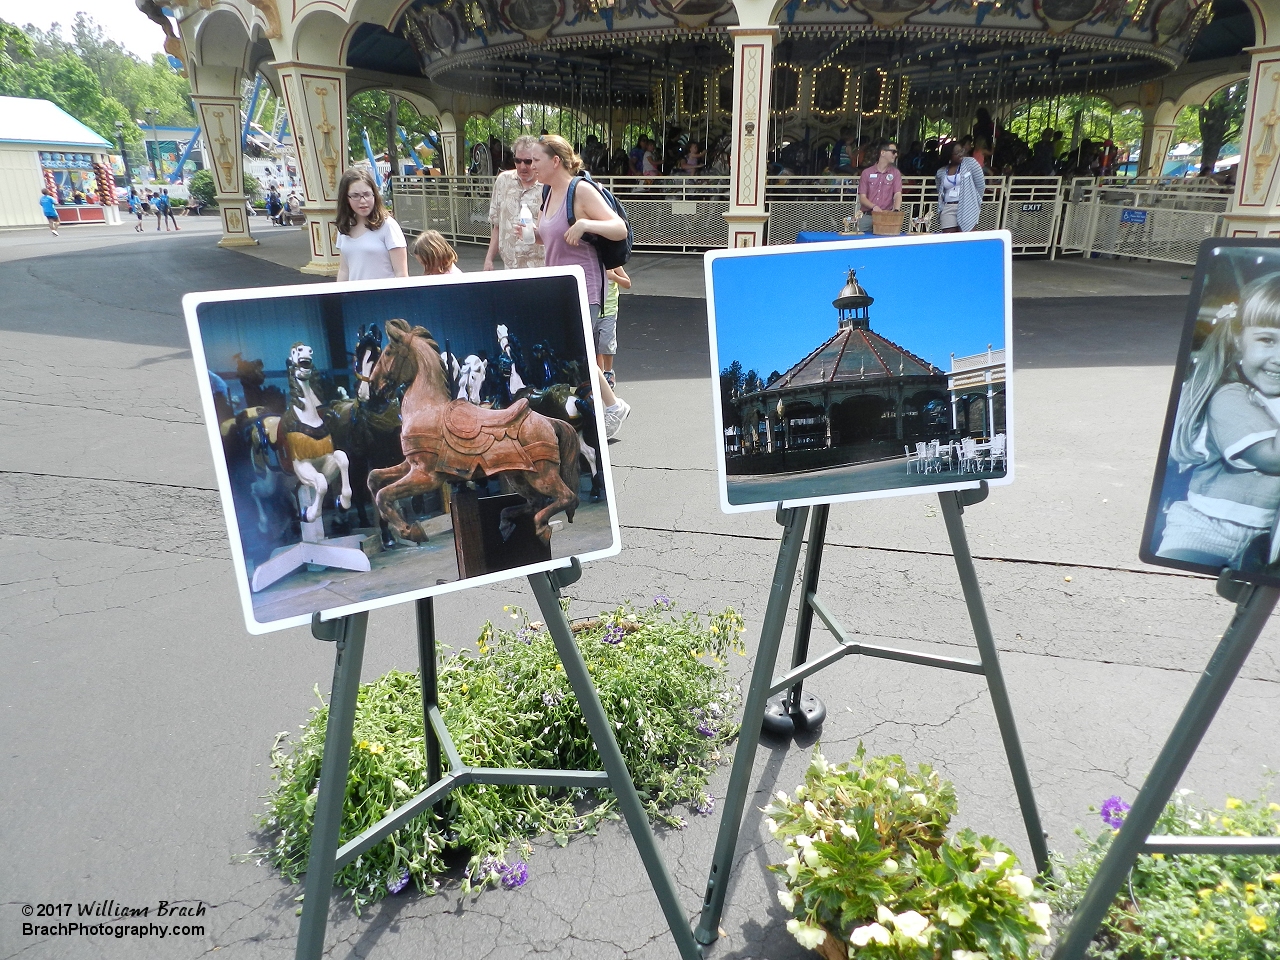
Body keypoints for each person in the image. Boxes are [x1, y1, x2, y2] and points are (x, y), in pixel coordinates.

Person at [1157, 274, 1280, 571]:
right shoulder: (1231, 396)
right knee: (1175, 595)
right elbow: (1272, 459)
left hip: (1266, 534)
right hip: (1206, 528)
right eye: (1267, 340)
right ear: (1239, 342)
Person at [524, 134, 632, 439]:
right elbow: (556, 235)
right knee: (573, 352)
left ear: (555, 161)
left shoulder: (580, 190)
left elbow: (618, 228)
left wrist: (587, 224)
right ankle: (601, 408)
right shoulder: (548, 192)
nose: (531, 166)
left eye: (535, 160)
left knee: (581, 352)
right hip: (558, 287)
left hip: (585, 284)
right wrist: (533, 234)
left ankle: (611, 408)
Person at [335, 167, 408, 282]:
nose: (363, 201)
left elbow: (401, 274)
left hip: (382, 297)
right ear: (345, 198)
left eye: (367, 194)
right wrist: (338, 297)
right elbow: (344, 270)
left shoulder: (388, 226)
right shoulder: (345, 227)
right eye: (355, 195)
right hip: (355, 297)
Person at [484, 134, 545, 271]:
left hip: (539, 266)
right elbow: (497, 226)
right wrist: (489, 259)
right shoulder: (503, 181)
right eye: (518, 161)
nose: (522, 166)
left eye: (528, 161)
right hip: (510, 266)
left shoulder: (547, 186)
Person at [936, 141, 985, 233]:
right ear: (949, 155)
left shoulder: (971, 163)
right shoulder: (941, 172)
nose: (961, 154)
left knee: (967, 240)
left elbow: (980, 185)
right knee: (949, 240)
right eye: (957, 153)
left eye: (961, 151)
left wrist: (975, 202)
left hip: (967, 206)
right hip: (948, 207)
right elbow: (940, 190)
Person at [856, 141, 902, 233]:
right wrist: (874, 207)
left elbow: (897, 194)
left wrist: (896, 210)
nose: (896, 154)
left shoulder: (895, 173)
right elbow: (862, 197)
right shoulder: (867, 172)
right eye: (893, 152)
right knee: (860, 244)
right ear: (883, 153)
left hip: (885, 216)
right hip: (867, 215)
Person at [597, 265, 631, 387]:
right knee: (595, 345)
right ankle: (599, 375)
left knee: (606, 342)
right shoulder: (590, 263)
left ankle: (608, 372)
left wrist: (613, 276)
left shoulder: (614, 265)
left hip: (609, 312)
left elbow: (627, 283)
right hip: (593, 310)